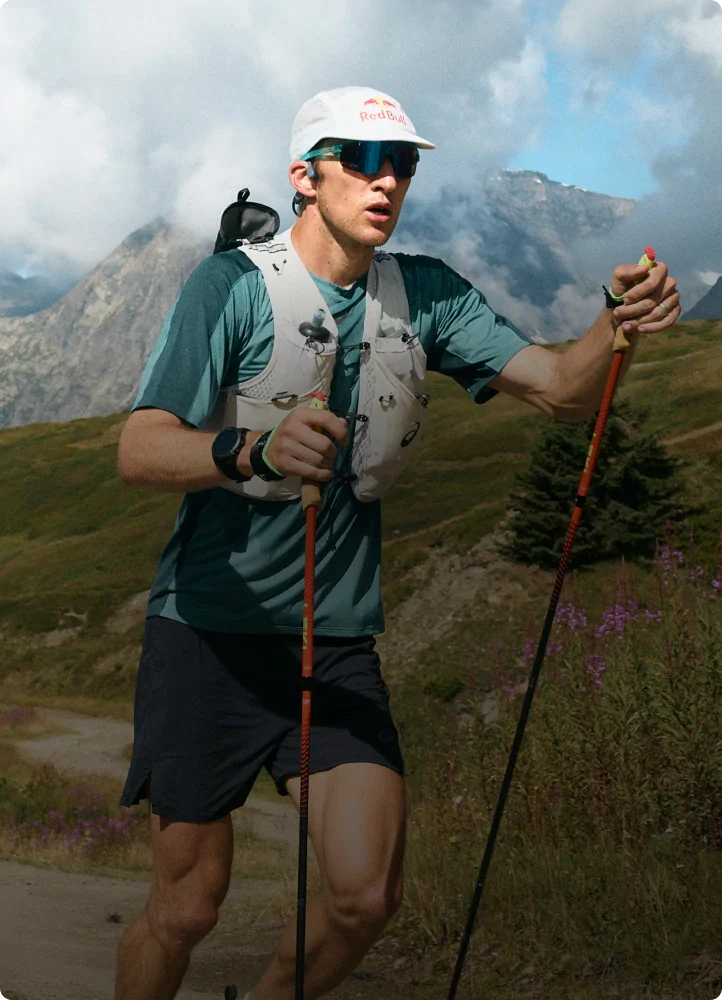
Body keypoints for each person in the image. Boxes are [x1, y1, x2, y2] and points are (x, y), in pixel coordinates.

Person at [114, 85, 680, 1000]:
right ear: (305, 176)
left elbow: (562, 391)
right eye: (364, 159)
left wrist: (615, 325)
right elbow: (139, 450)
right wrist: (251, 449)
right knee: (185, 910)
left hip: (336, 641)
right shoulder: (230, 288)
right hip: (206, 636)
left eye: (403, 163)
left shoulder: (428, 296)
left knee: (365, 898)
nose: (387, 181)